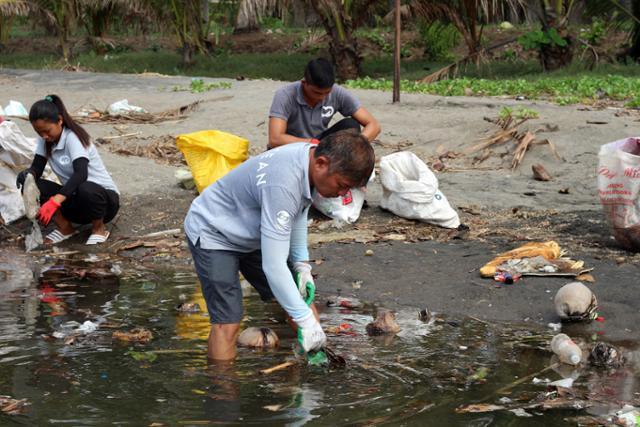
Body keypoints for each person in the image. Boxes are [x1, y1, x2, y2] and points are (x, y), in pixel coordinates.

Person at [184, 129, 375, 360]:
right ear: (322, 164)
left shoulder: (309, 158)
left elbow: (298, 212)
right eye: (342, 185)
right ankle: (222, 389)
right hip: (214, 232)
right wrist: (304, 320)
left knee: (299, 297)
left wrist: (301, 264)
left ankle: (319, 357)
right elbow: (274, 267)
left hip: (255, 229)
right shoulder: (284, 183)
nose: (342, 193)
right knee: (229, 321)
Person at [15, 95, 119, 245]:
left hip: (103, 204)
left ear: (59, 120)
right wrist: (28, 175)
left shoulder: (73, 138)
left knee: (85, 188)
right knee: (30, 183)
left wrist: (56, 200)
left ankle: (99, 229)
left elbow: (81, 174)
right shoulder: (45, 140)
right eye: (39, 133)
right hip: (77, 203)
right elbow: (37, 167)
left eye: (47, 131)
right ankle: (65, 228)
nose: (44, 136)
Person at [268, 57, 380, 149]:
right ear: (304, 83)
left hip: (319, 144)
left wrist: (357, 144)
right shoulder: (285, 95)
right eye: (316, 93)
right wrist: (312, 143)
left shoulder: (337, 92)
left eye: (327, 93)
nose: (322, 97)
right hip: (290, 148)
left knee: (351, 125)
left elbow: (374, 125)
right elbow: (275, 139)